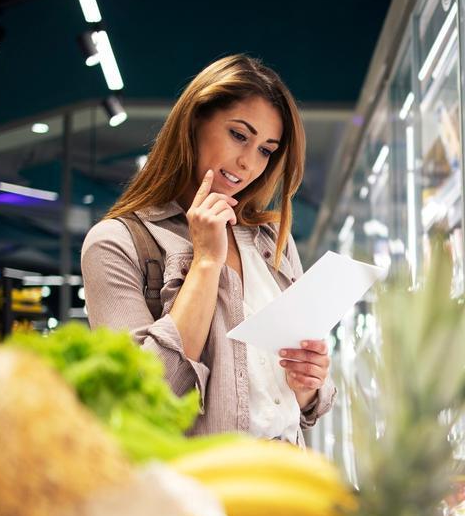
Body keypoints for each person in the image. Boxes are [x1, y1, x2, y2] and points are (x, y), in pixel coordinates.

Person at [82, 55, 334, 446]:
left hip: (290, 479)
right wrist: (204, 262)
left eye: (266, 150)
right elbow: (145, 399)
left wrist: (308, 382)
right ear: (195, 120)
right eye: (239, 135)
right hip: (201, 492)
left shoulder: (271, 239)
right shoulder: (116, 243)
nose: (249, 163)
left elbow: (295, 405)